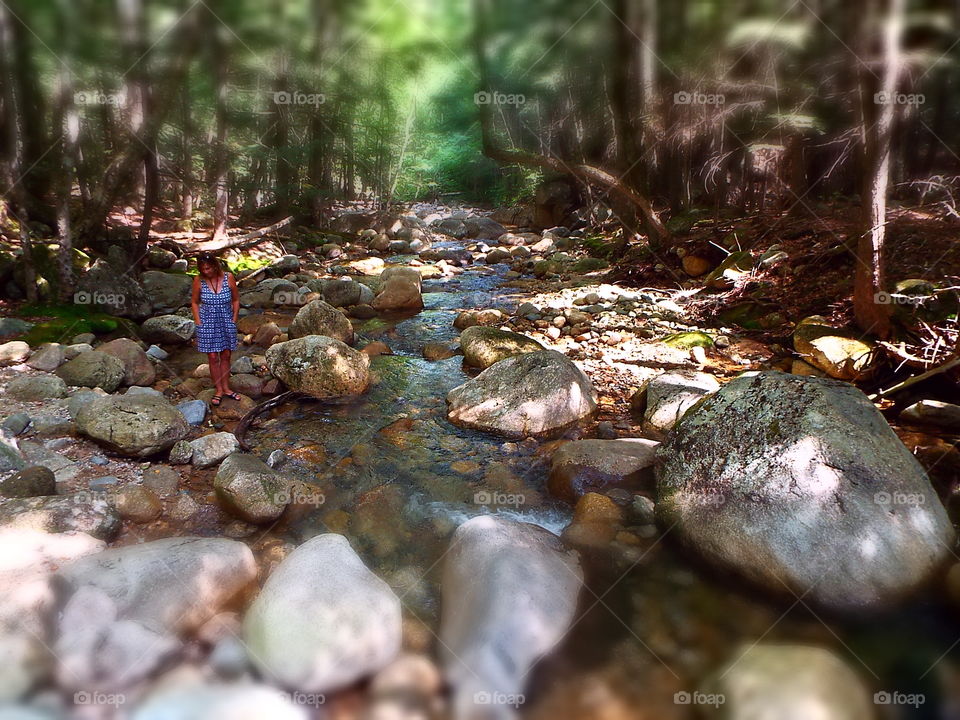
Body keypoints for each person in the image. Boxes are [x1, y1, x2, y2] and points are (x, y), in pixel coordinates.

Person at [191, 253, 241, 406]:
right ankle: (218, 389)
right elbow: (194, 302)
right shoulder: (199, 280)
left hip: (226, 321)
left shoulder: (228, 277)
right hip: (208, 322)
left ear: (215, 265)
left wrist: (234, 319)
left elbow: (236, 299)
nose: (206, 271)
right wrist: (199, 322)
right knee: (213, 357)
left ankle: (226, 388)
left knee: (225, 354)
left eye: (208, 268)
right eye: (203, 269)